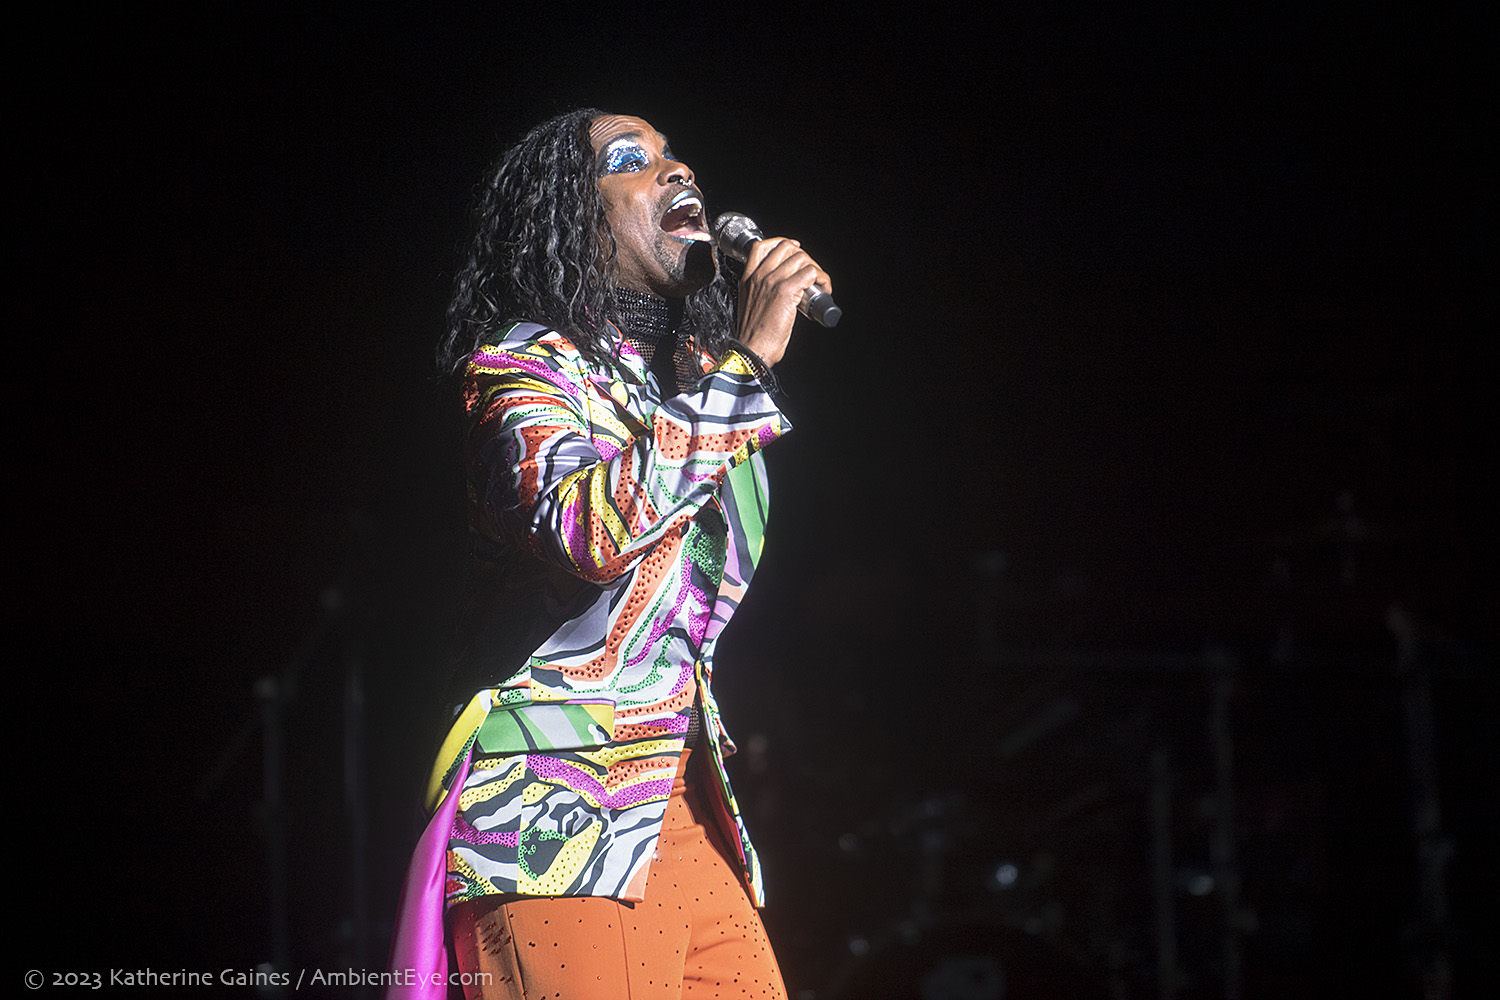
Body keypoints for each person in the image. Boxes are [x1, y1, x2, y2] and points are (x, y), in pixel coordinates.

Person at [385, 108, 831, 1000]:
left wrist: (722, 373)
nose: (675, 169)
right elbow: (590, 531)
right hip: (557, 814)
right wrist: (745, 367)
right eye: (631, 161)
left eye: (674, 153)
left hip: (684, 806)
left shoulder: (681, 379)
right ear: (569, 221)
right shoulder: (517, 372)